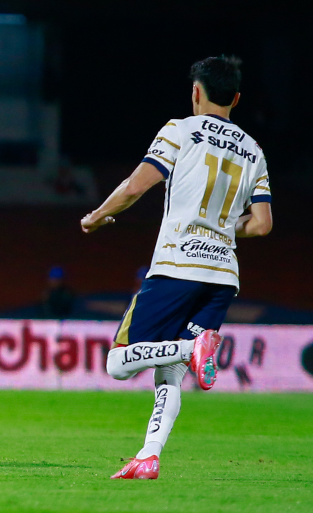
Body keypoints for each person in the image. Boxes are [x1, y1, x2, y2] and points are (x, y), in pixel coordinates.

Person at [80, 56, 273, 480]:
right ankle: (149, 455)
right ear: (236, 98)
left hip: (177, 266)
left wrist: (96, 216)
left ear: (196, 92)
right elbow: (261, 225)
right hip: (223, 275)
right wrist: (220, 228)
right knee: (169, 374)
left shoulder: (180, 130)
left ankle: (193, 348)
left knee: (117, 363)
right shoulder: (254, 152)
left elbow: (136, 186)